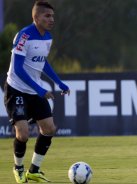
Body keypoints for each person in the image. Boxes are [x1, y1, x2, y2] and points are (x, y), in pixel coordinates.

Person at [4, 1, 70, 183]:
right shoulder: (24, 36)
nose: (51, 20)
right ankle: (18, 167)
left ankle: (34, 171)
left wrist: (59, 82)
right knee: (23, 133)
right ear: (35, 17)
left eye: (52, 16)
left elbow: (43, 63)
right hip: (16, 89)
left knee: (49, 128)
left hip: (34, 89)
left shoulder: (47, 37)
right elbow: (17, 68)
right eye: (47, 16)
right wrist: (40, 89)